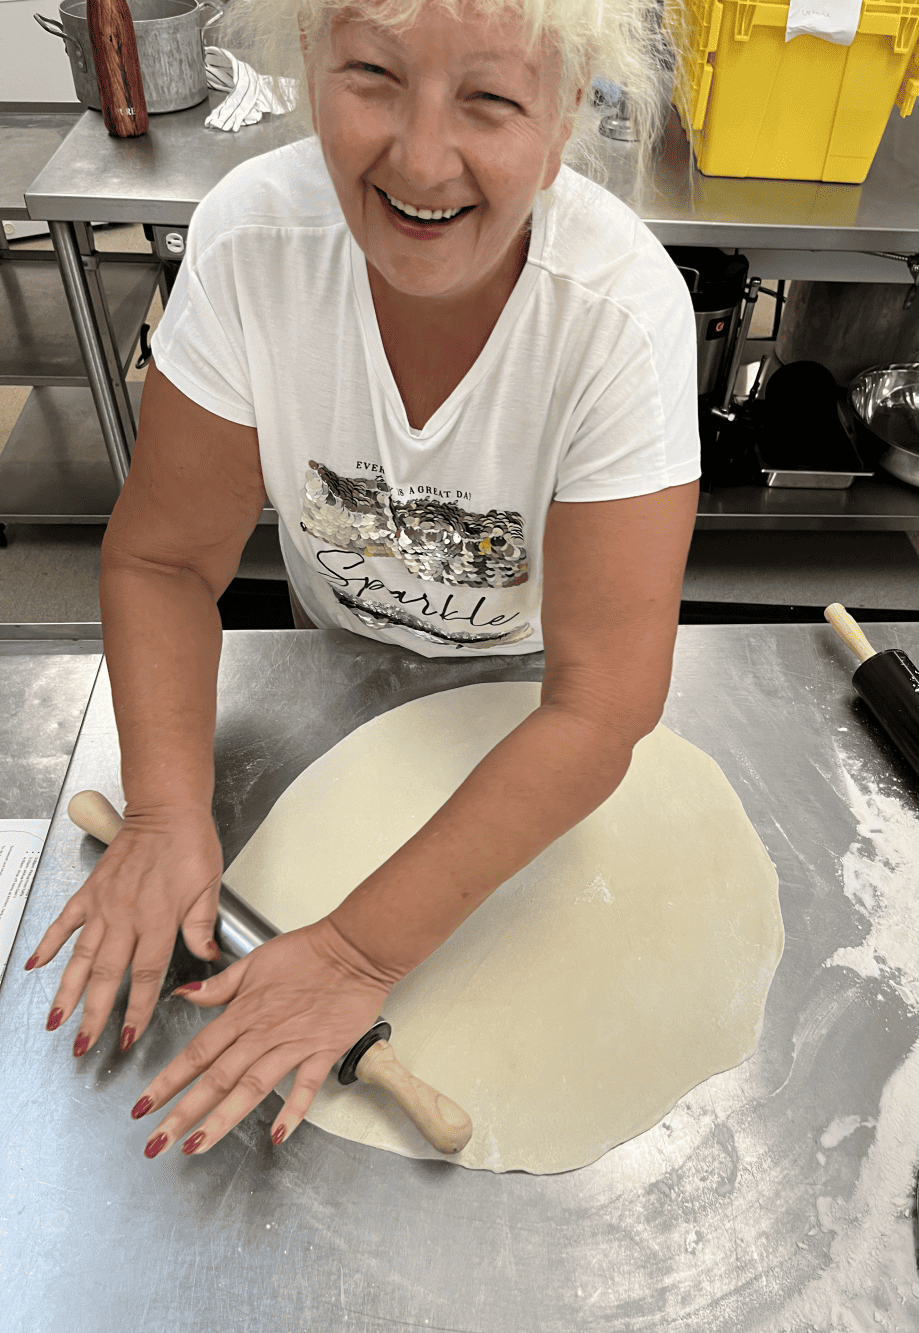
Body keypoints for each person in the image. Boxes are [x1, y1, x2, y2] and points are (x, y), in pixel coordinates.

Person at [26, 0, 700, 1159]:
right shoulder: (252, 246)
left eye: (489, 99)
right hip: (330, 662)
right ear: (309, 62)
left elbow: (600, 705)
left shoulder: (616, 317)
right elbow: (162, 559)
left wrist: (355, 953)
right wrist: (165, 807)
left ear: (566, 109)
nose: (422, 158)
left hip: (526, 700)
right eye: (374, 77)